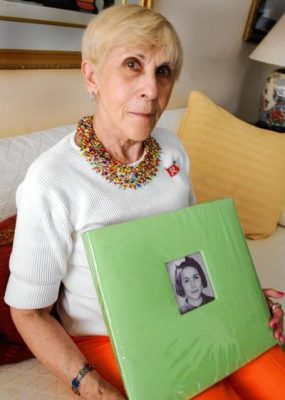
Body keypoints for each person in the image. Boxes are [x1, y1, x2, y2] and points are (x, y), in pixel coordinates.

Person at [4, 5, 285, 400]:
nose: (151, 90)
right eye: (132, 65)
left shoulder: (171, 148)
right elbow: (27, 313)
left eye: (163, 71)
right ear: (92, 76)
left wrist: (246, 302)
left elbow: (194, 247)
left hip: (191, 313)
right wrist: (92, 387)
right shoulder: (51, 180)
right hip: (111, 340)